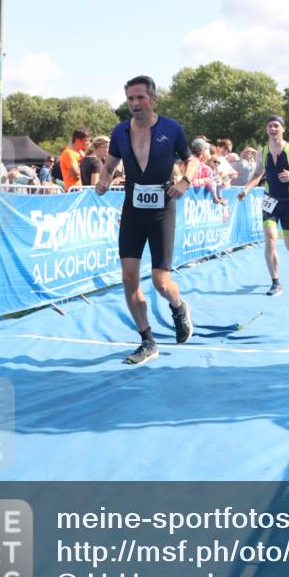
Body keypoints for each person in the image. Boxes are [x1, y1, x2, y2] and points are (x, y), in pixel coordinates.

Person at [95, 75, 199, 365]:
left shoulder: (171, 128)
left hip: (162, 210)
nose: (135, 103)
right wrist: (104, 180)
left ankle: (179, 307)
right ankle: (147, 340)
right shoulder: (120, 132)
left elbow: (191, 160)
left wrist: (185, 182)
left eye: (140, 98)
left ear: (153, 100)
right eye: (130, 98)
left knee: (160, 282)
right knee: (128, 278)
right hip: (132, 211)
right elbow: (110, 164)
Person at [237, 115, 289, 297]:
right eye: (270, 126)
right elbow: (257, 175)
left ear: (282, 129)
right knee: (270, 239)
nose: (273, 129)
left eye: (276, 126)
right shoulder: (262, 152)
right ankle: (275, 282)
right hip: (270, 200)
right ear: (266, 130)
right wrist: (245, 190)